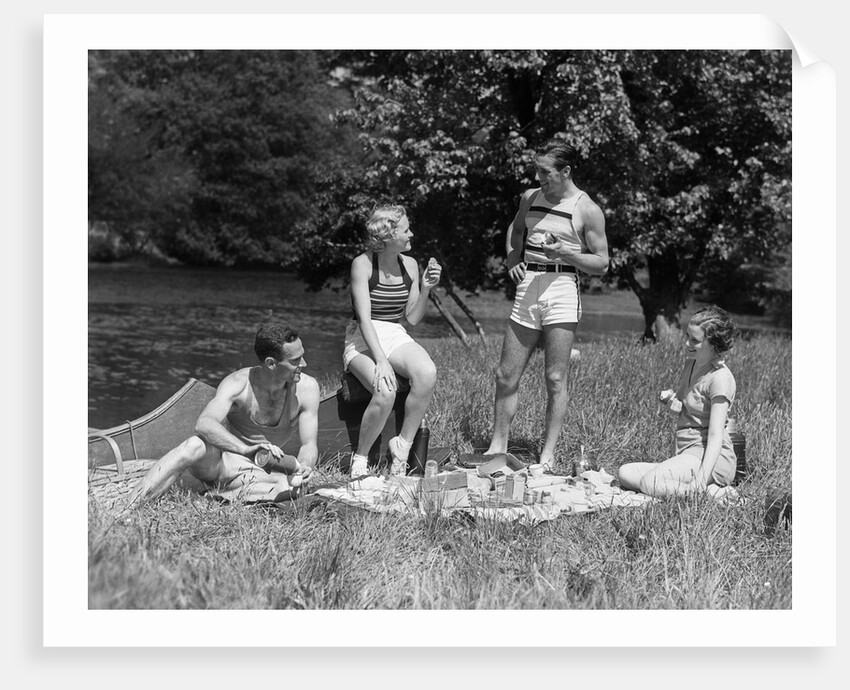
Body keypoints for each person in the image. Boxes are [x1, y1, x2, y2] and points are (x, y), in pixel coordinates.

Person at [484, 140, 609, 471]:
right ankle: (498, 445)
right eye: (536, 170)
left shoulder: (587, 209)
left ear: (565, 172)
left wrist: (566, 253)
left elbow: (602, 263)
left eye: (545, 171)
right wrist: (513, 257)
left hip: (563, 287)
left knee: (554, 377)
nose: (538, 177)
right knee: (505, 374)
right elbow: (515, 229)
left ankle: (547, 454)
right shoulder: (530, 197)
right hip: (529, 285)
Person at [127, 322, 320, 506]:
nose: (304, 363)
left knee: (294, 486)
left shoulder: (307, 389)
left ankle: (216, 498)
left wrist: (304, 467)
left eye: (302, 356)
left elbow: (309, 445)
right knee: (194, 444)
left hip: (260, 472)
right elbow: (204, 423)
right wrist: (245, 450)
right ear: (271, 364)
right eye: (295, 360)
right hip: (221, 465)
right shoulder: (238, 384)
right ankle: (129, 505)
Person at [344, 204, 442, 477]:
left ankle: (401, 447)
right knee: (385, 391)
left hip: (394, 332)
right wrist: (381, 361)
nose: (411, 234)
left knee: (427, 372)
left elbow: (411, 319)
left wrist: (426, 289)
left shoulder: (410, 265)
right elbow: (364, 320)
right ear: (388, 236)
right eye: (406, 230)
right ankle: (360, 460)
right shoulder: (362, 264)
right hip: (362, 337)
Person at [618, 305, 740, 500]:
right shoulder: (691, 363)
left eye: (695, 340)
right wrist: (672, 400)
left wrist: (701, 479)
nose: (687, 343)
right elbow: (692, 407)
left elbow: (716, 435)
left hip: (711, 458)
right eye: (688, 336)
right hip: (687, 452)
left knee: (650, 483)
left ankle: (709, 492)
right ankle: (698, 489)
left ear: (714, 344)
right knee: (626, 472)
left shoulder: (720, 378)